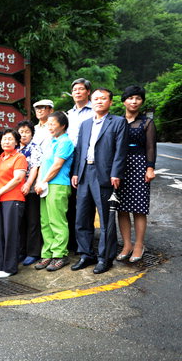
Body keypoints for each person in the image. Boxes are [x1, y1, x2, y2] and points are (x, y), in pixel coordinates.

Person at [71, 88, 128, 274]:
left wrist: (116, 173)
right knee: (82, 217)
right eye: (96, 99)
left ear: (110, 102)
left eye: (103, 99)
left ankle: (105, 257)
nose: (99, 101)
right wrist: (76, 172)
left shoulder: (118, 122)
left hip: (105, 174)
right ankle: (86, 254)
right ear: (91, 101)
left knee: (105, 218)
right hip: (84, 172)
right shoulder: (86, 123)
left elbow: (121, 151)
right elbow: (79, 149)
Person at [116, 86, 156, 263]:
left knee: (139, 208)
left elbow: (150, 147)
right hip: (119, 167)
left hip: (139, 165)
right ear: (124, 100)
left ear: (142, 101)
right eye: (130, 98)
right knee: (122, 208)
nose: (134, 101)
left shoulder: (146, 122)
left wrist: (150, 168)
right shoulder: (117, 121)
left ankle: (139, 244)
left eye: (138, 98)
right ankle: (127, 244)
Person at [34, 112, 75, 272]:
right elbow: (43, 165)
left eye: (53, 124)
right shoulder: (51, 142)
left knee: (57, 221)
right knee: (45, 221)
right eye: (48, 124)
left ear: (63, 125)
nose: (49, 127)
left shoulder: (65, 142)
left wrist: (42, 182)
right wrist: (39, 182)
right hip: (44, 186)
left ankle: (60, 255)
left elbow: (57, 166)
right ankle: (48, 253)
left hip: (57, 185)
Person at [0, 128, 28, 278]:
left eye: (10, 139)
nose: (6, 141)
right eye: (4, 139)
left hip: (13, 198)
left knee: (11, 233)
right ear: (0, 142)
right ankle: (0, 266)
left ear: (16, 142)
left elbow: (18, 179)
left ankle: (10, 268)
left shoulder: (19, 157)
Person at [66, 78, 94, 251]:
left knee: (86, 203)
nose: (77, 92)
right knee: (69, 202)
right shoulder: (69, 114)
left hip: (88, 161)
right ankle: (71, 242)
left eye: (81, 89)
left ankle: (86, 244)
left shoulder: (94, 111)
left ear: (88, 92)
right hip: (68, 160)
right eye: (74, 89)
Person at [16, 120, 42, 266]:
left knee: (32, 221)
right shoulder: (14, 148)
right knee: (21, 222)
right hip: (16, 191)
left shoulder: (34, 148)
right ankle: (21, 251)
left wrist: (28, 184)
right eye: (21, 131)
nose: (23, 134)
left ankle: (33, 252)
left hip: (30, 190)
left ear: (32, 134)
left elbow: (35, 168)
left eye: (27, 132)